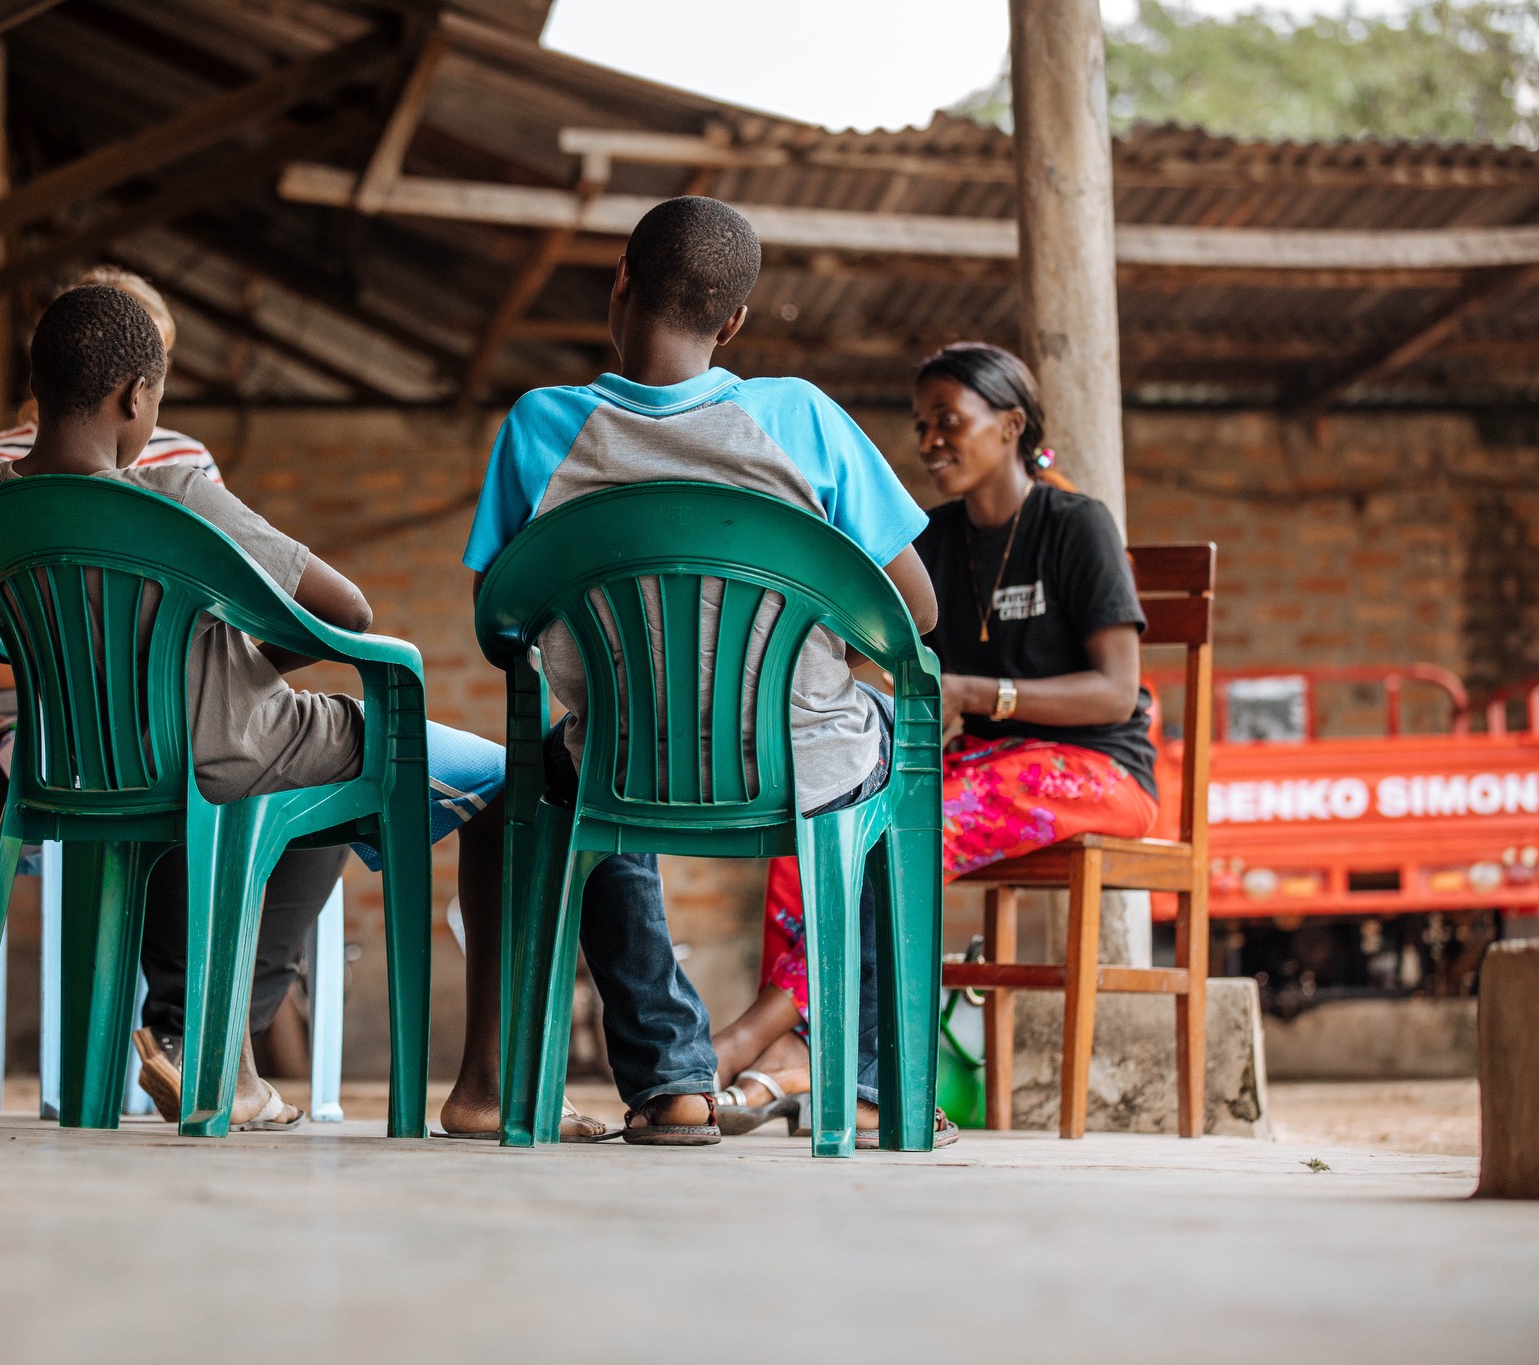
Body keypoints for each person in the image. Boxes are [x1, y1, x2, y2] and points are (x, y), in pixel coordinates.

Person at [0, 284, 592, 1138]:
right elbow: (348, 611)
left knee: (282, 817)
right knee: (511, 782)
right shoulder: (176, 494)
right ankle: (485, 1086)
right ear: (136, 395)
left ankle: (228, 1063)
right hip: (237, 749)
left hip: (75, 760)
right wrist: (236, 662)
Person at [463, 197, 938, 1144]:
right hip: (807, 764)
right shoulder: (802, 419)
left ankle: (672, 1081)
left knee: (572, 773)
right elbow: (915, 614)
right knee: (895, 753)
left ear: (620, 285)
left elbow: (497, 627)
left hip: (624, 760)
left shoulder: (540, 428)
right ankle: (878, 1085)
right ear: (734, 325)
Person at [713, 341, 1158, 1142]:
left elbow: (1118, 689)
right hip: (977, 765)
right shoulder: (934, 541)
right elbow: (869, 650)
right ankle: (806, 1055)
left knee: (910, 830)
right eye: (921, 425)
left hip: (1094, 767)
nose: (929, 442)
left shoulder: (1076, 524)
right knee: (820, 814)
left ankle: (752, 1039)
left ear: (1012, 425)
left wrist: (981, 693)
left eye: (948, 421)